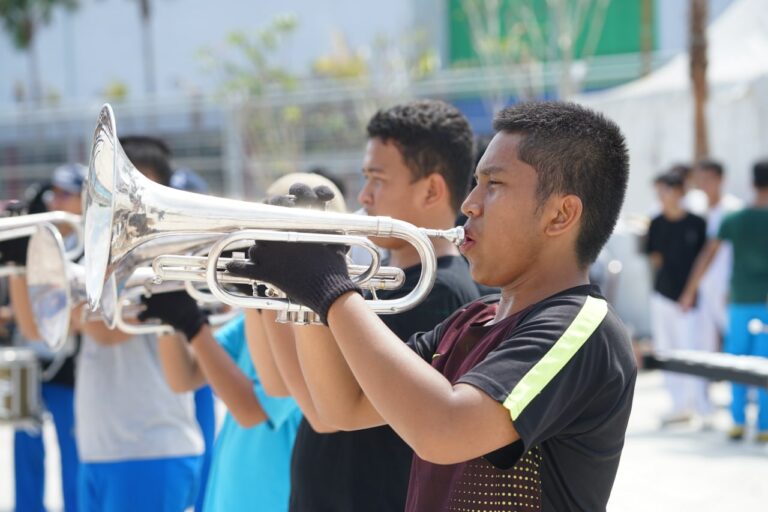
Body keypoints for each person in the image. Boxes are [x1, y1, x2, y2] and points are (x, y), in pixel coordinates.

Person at [227, 101, 636, 511]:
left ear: (561, 214)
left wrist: (329, 287)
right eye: (475, 183)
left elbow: (444, 430)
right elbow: (341, 407)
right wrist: (305, 286)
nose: (470, 204)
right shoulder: (471, 320)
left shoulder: (582, 328)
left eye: (493, 185)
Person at [241, 100, 481, 512]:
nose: (364, 194)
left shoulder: (441, 294)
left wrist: (311, 282)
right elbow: (279, 384)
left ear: (431, 190)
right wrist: (262, 280)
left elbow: (328, 414)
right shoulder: (373, 281)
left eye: (378, 179)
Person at [73, 136, 203, 511]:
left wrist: (80, 308)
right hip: (100, 448)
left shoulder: (173, 257)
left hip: (150, 449)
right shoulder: (95, 256)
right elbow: (44, 326)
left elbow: (103, 329)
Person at [5, 167, 85, 512]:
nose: (57, 200)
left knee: (74, 455)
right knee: (24, 449)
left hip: (71, 367)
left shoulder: (89, 248)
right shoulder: (36, 239)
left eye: (67, 193)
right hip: (30, 359)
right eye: (55, 192)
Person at [680, 159, 768, 442]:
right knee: (764, 364)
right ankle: (765, 426)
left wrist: (689, 290)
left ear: (752, 183)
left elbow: (708, 255)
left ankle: (738, 421)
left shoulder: (734, 219)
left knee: (737, 361)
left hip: (740, 302)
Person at [645, 170, 709, 425]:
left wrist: (689, 292)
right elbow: (656, 258)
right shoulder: (657, 223)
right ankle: (678, 406)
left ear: (680, 192)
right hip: (662, 296)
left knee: (692, 351)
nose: (662, 196)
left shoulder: (697, 223)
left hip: (689, 300)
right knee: (666, 350)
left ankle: (702, 407)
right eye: (659, 191)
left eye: (667, 190)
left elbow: (703, 262)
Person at [690, 160, 743, 349]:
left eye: (709, 179)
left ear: (721, 180)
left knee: (733, 335)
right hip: (704, 287)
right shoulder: (696, 210)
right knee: (705, 342)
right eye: (701, 179)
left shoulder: (733, 210)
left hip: (726, 284)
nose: (705, 184)